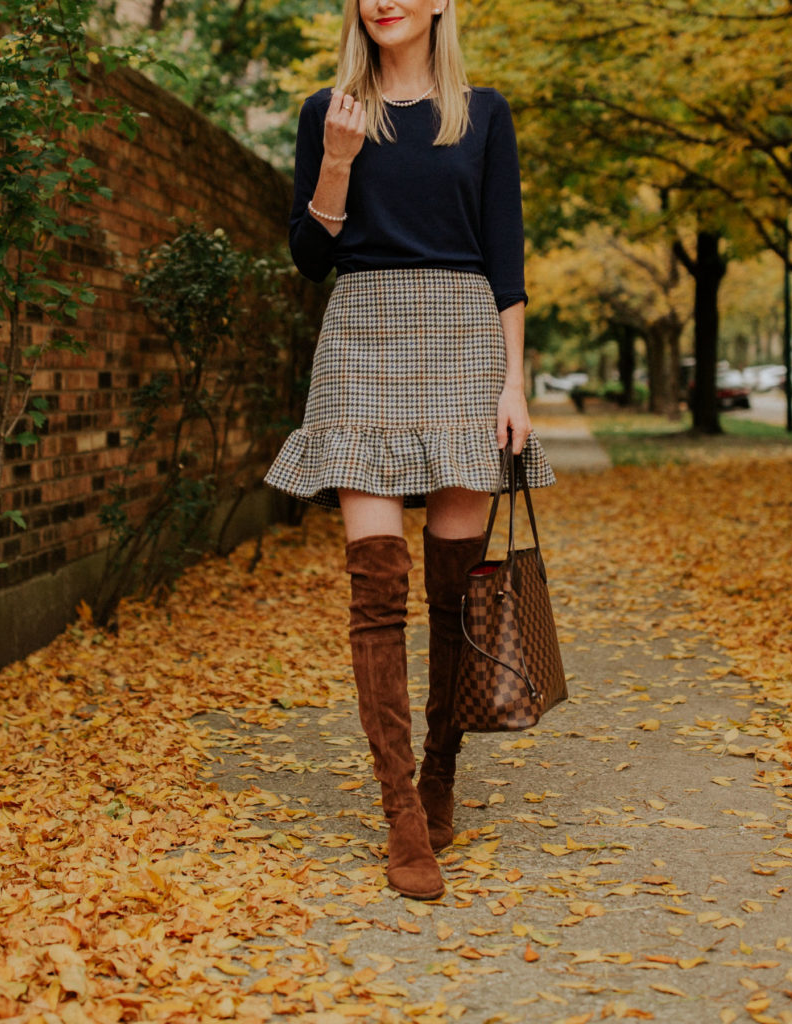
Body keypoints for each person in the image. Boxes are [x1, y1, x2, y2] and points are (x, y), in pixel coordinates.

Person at [265, 0, 555, 900]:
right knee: (375, 590)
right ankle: (400, 812)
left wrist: (514, 384)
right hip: (363, 336)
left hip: (466, 340)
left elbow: (506, 259)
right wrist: (339, 163)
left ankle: (440, 772)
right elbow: (310, 256)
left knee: (455, 596)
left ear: (440, 3)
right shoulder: (331, 111)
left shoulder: (486, 112)